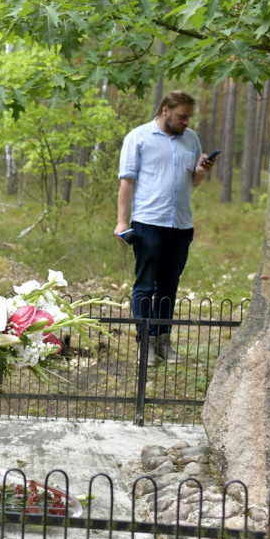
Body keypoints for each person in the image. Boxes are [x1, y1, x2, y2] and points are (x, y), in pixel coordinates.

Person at [114, 91, 216, 365]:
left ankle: (163, 342)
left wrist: (202, 171)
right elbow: (127, 182)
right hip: (148, 223)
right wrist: (122, 222)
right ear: (165, 110)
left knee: (169, 287)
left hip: (180, 225)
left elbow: (192, 181)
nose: (186, 122)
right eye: (182, 116)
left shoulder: (191, 138)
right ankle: (144, 343)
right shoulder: (139, 137)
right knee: (145, 286)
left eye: (188, 117)